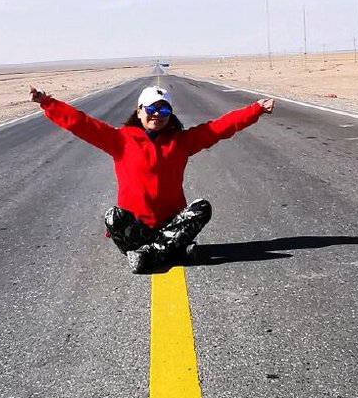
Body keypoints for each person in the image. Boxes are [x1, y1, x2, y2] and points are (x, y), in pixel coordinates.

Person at [29, 80, 275, 272]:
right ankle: (173, 250)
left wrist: (255, 110)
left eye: (164, 109)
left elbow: (219, 128)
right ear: (139, 111)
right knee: (113, 217)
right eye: (151, 108)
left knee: (202, 208)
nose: (157, 114)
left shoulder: (181, 142)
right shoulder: (120, 140)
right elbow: (82, 124)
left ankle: (151, 255)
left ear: (170, 114)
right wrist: (47, 103)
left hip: (171, 224)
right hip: (137, 230)